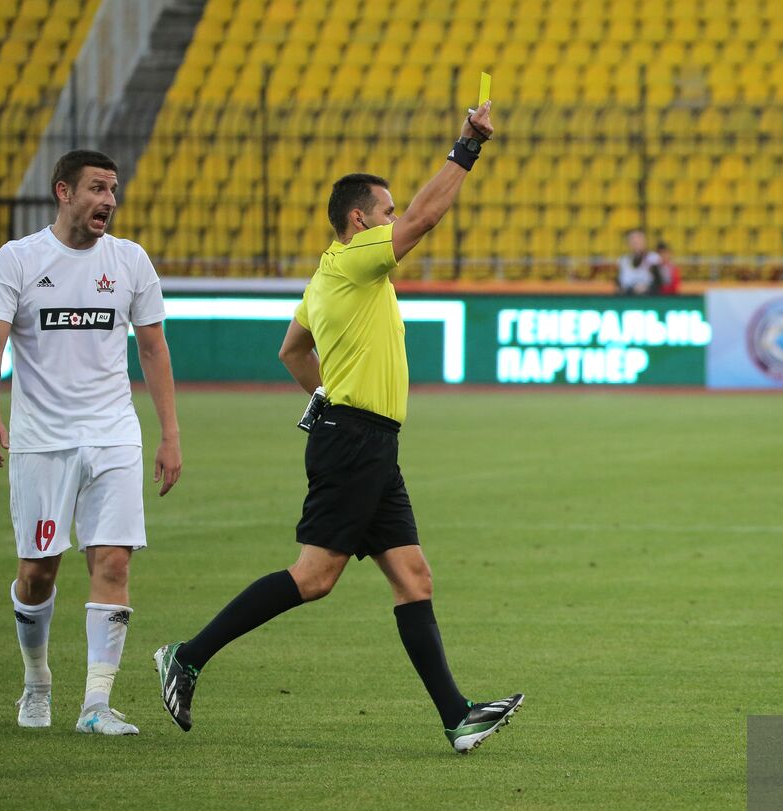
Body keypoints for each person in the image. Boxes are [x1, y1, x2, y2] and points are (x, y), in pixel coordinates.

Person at [154, 101, 523, 755]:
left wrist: (324, 396)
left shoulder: (327, 278)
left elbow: (291, 351)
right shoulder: (356, 261)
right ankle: (186, 656)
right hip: (355, 439)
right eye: (384, 211)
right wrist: (468, 144)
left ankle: (458, 715)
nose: (393, 220)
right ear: (360, 219)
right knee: (315, 576)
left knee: (414, 577)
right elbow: (425, 218)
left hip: (365, 438)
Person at [0, 149, 182, 735]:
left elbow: (152, 348)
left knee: (113, 560)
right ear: (63, 191)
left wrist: (169, 434)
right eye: (97, 189)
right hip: (41, 440)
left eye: (113, 190)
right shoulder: (18, 260)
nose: (108, 200)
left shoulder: (129, 261)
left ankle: (96, 706)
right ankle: (36, 682)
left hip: (112, 436)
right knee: (38, 571)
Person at [616, 228, 662, 295]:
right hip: (628, 295)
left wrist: (647, 287)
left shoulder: (653, 258)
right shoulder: (623, 260)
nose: (636, 242)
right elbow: (619, 283)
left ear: (644, 241)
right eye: (633, 240)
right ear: (629, 243)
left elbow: (659, 282)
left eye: (639, 239)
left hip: (648, 296)